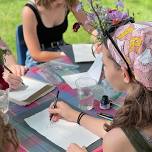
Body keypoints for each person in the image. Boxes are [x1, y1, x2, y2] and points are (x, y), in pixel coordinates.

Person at [49, 22, 152, 152]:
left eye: (104, 64)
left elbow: (119, 138)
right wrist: (75, 116)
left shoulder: (117, 141)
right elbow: (122, 134)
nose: (103, 71)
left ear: (124, 74)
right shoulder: (141, 115)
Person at [22, 0, 96, 67]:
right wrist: (68, 55)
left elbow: (90, 28)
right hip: (40, 58)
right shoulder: (30, 11)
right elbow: (36, 54)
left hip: (61, 49)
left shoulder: (70, 2)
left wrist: (99, 40)